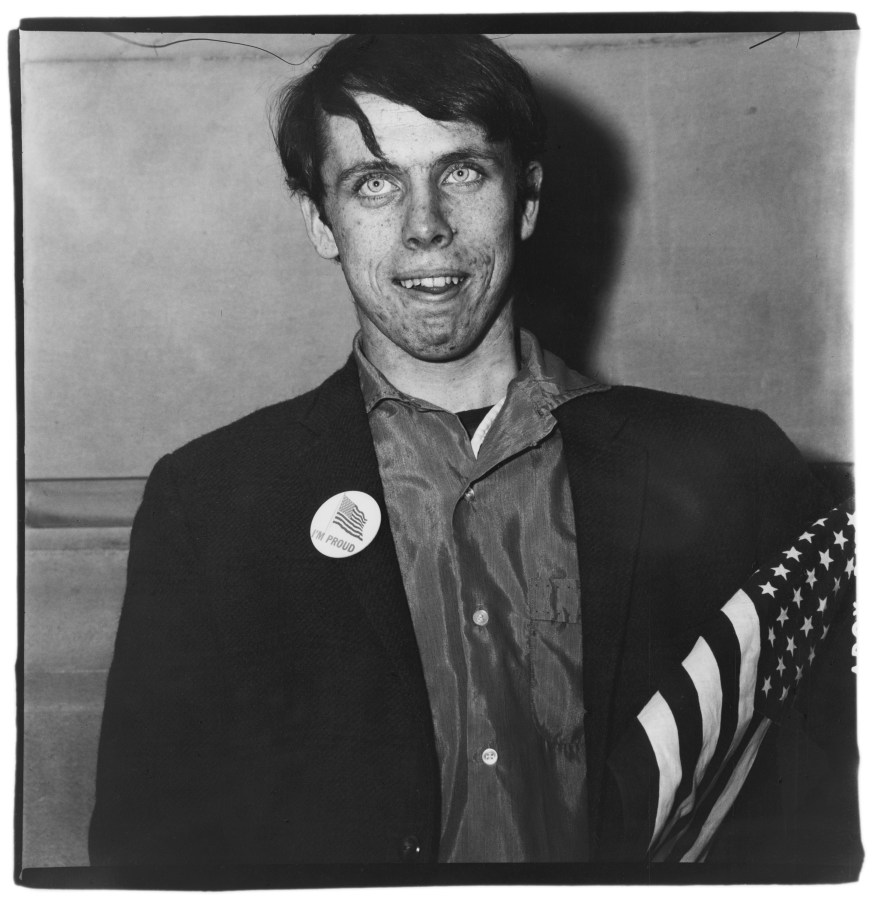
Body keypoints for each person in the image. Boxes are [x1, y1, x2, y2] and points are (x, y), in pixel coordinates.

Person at [88, 33, 855, 871]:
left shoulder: (732, 470)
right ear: (319, 220)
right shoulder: (212, 502)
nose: (425, 227)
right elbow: (149, 853)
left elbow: (826, 811)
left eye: (461, 172)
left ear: (523, 201)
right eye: (374, 184)